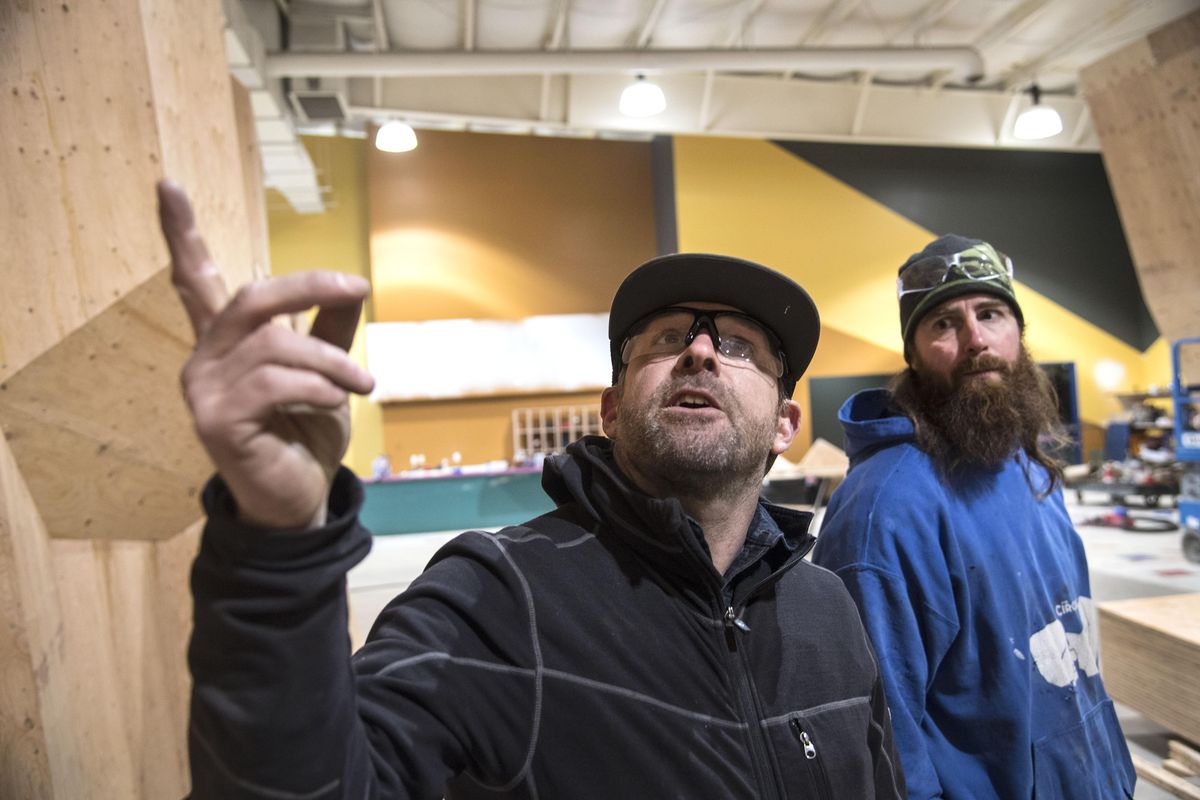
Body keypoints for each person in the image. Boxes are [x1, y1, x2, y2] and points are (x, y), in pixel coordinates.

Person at [158, 180, 904, 799]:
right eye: (669, 339)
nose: (701, 352)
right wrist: (276, 544)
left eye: (737, 345)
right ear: (611, 412)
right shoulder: (497, 596)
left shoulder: (828, 612)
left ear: (784, 425)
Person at [812, 235, 1136, 799]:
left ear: (1020, 334)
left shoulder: (1027, 464)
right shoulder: (884, 511)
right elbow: (882, 747)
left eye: (991, 314)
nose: (976, 341)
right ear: (912, 356)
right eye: (943, 324)